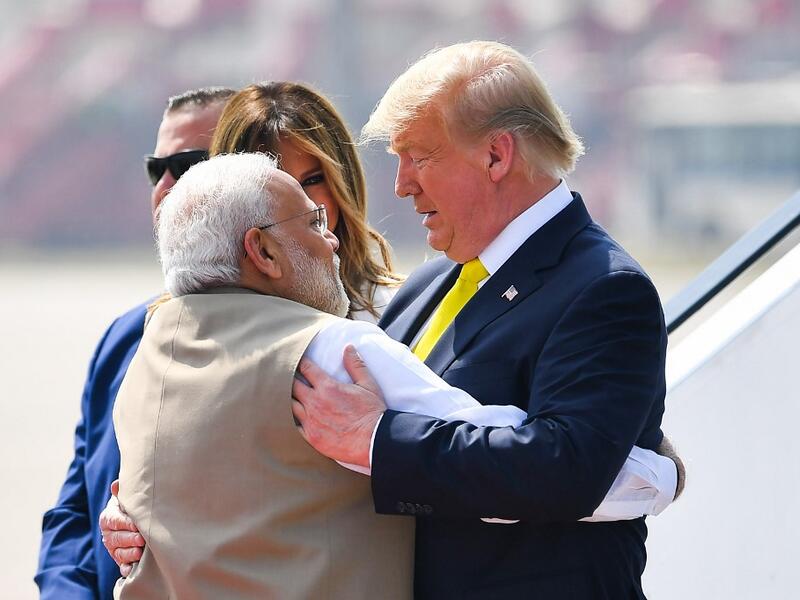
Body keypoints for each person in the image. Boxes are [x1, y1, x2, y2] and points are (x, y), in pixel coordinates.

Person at [111, 152, 676, 598]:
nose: (331, 237)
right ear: (262, 252)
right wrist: (657, 470)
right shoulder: (332, 352)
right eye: (311, 220)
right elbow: (538, 465)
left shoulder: (148, 359)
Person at [291, 41, 683, 598]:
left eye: (419, 157)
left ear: (498, 156)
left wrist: (379, 438)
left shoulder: (605, 288)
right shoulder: (426, 286)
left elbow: (565, 468)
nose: (401, 184)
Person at [35, 86, 235, 600]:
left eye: (188, 165)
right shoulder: (125, 336)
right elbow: (74, 509)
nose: (165, 187)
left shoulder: (308, 340)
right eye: (156, 169)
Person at [209, 81, 404, 322]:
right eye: (276, 186)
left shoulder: (398, 316)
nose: (302, 204)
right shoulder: (186, 327)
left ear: (345, 182)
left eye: (313, 180)